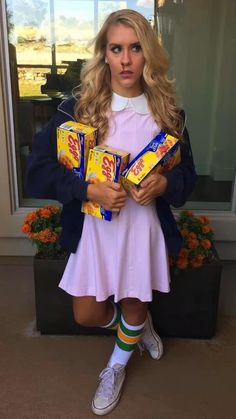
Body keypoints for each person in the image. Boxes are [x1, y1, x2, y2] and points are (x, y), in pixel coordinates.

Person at [26, 9, 196, 416]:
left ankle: (117, 362)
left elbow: (188, 177)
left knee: (136, 300)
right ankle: (133, 332)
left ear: (148, 54)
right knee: (86, 313)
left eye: (135, 48)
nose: (125, 60)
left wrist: (165, 184)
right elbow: (38, 172)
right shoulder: (78, 110)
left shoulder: (168, 114)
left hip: (142, 228)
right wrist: (88, 189)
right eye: (116, 48)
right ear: (103, 54)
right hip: (94, 231)